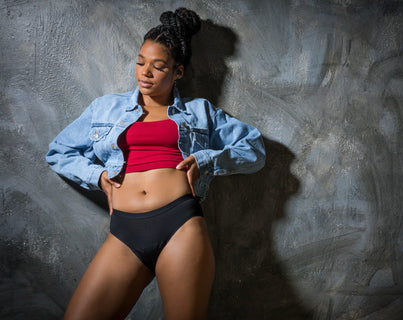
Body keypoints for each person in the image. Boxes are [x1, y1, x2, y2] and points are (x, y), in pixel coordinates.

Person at [46, 7, 265, 320]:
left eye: (158, 66)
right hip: (124, 230)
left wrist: (207, 160)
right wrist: (98, 176)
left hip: (180, 225)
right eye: (140, 62)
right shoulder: (107, 108)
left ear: (178, 72)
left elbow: (254, 149)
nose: (144, 73)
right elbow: (58, 151)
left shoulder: (200, 112)